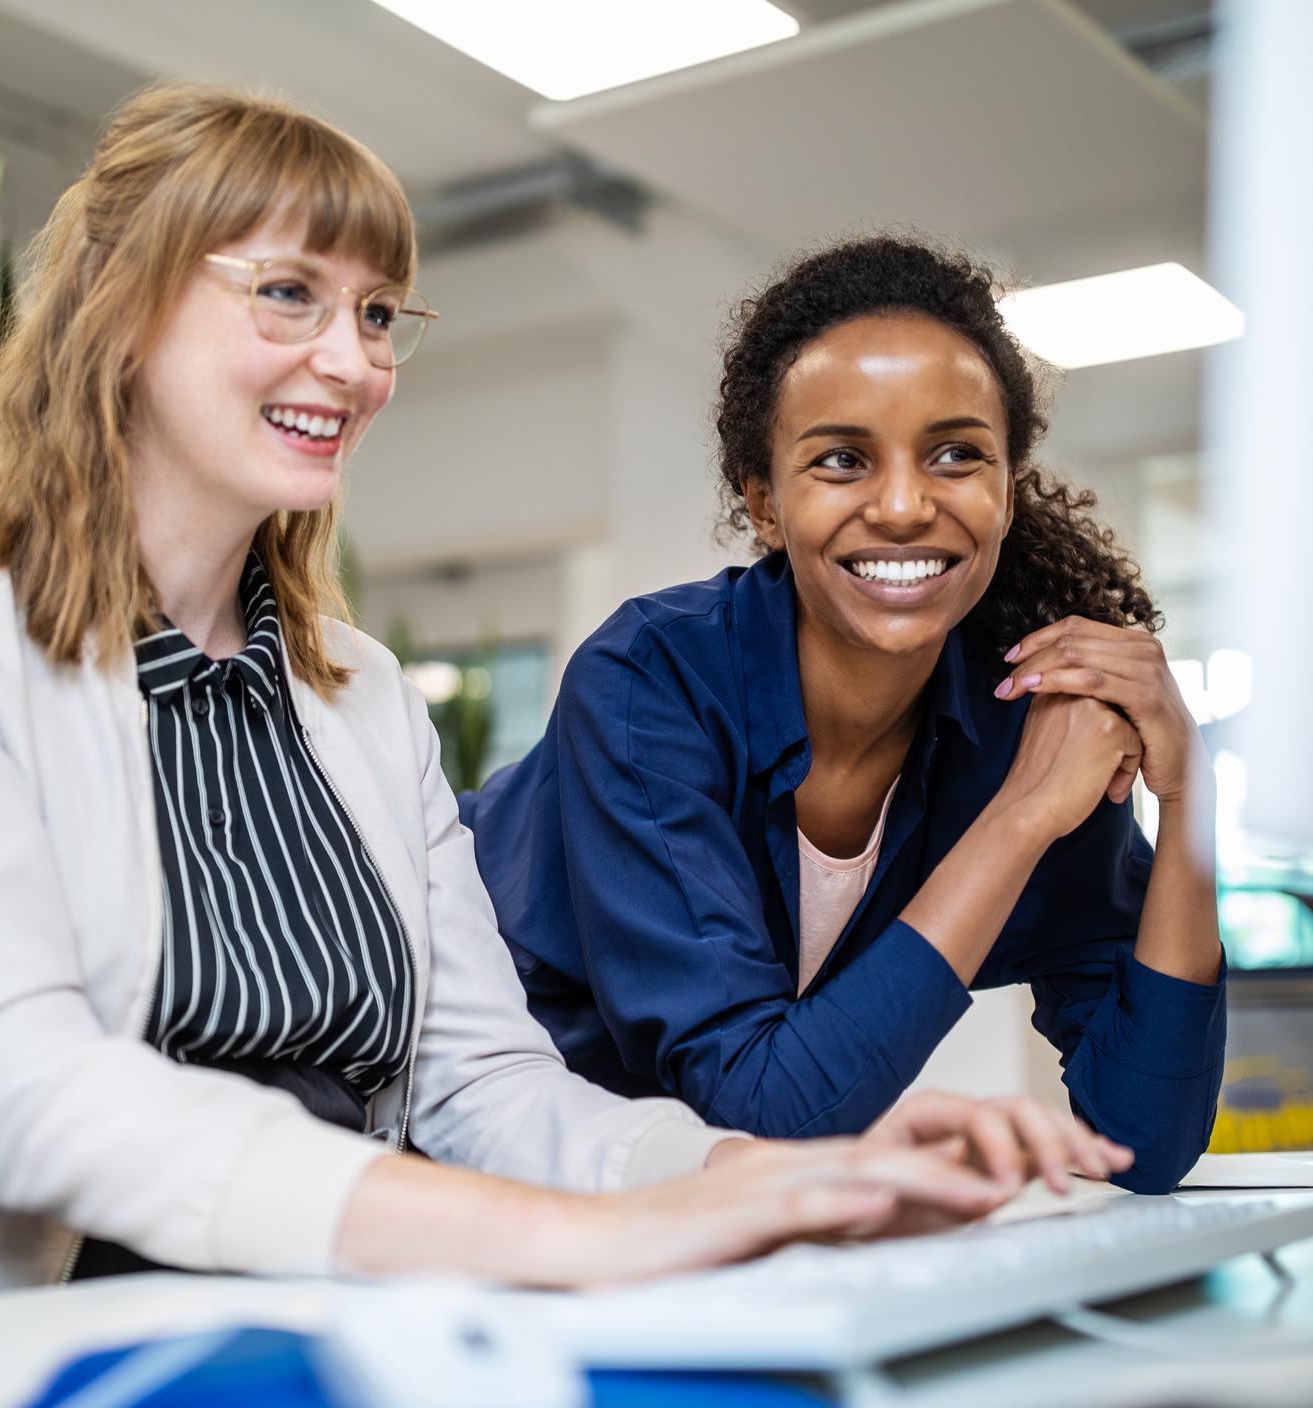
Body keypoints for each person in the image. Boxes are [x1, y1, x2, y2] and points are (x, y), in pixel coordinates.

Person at [0, 89, 1130, 1305]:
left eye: (378, 313)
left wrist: (776, 1178)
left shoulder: (359, 694)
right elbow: (20, 1083)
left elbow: (483, 1084)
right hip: (46, 1332)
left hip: (334, 1304)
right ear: (120, 301)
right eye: (289, 293)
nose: (353, 360)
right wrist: (544, 1239)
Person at [460, 237, 1227, 1195]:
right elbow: (766, 1107)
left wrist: (1186, 783)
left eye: (957, 455)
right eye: (841, 460)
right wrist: (1022, 819)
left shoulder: (1021, 720)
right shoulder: (649, 680)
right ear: (766, 506)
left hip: (683, 1194)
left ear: (1005, 488)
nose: (905, 505)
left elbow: (1144, 1139)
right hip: (448, 1122)